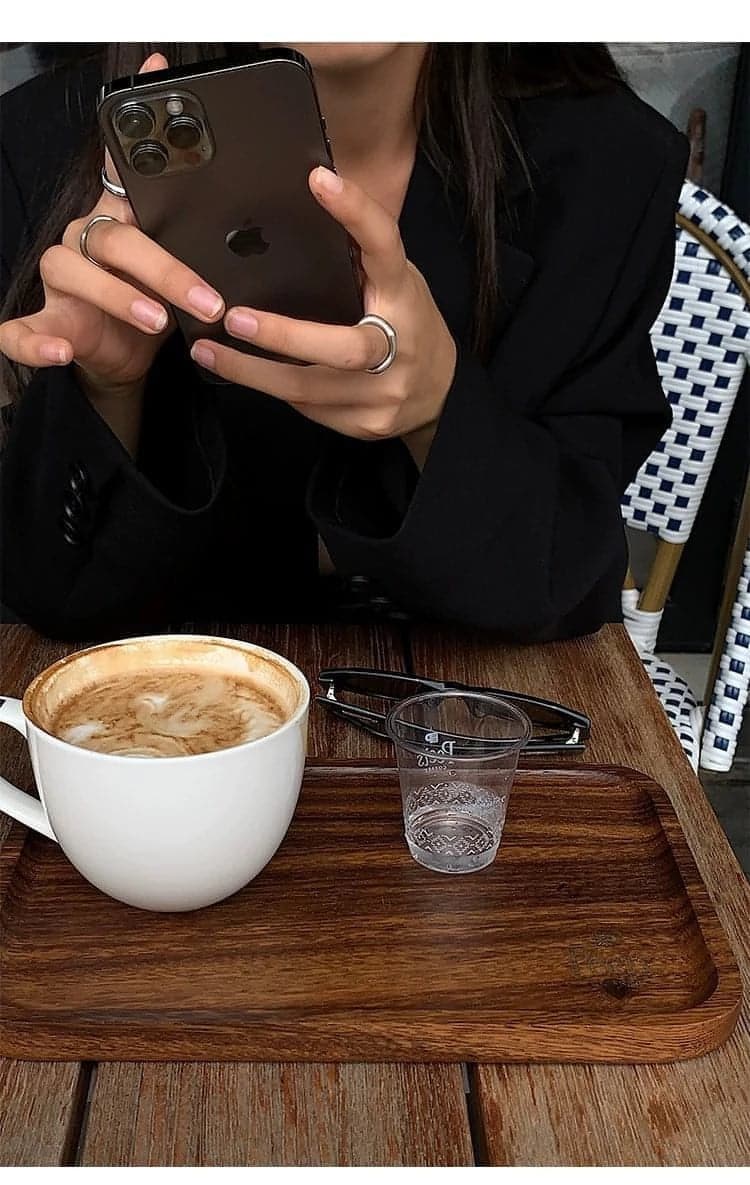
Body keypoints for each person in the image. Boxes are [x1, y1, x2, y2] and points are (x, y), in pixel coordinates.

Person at [0, 43, 688, 641]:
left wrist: (440, 411)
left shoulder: (609, 161)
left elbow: (566, 578)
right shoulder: (42, 143)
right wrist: (107, 390)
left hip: (471, 716)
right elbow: (42, 598)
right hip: (163, 709)